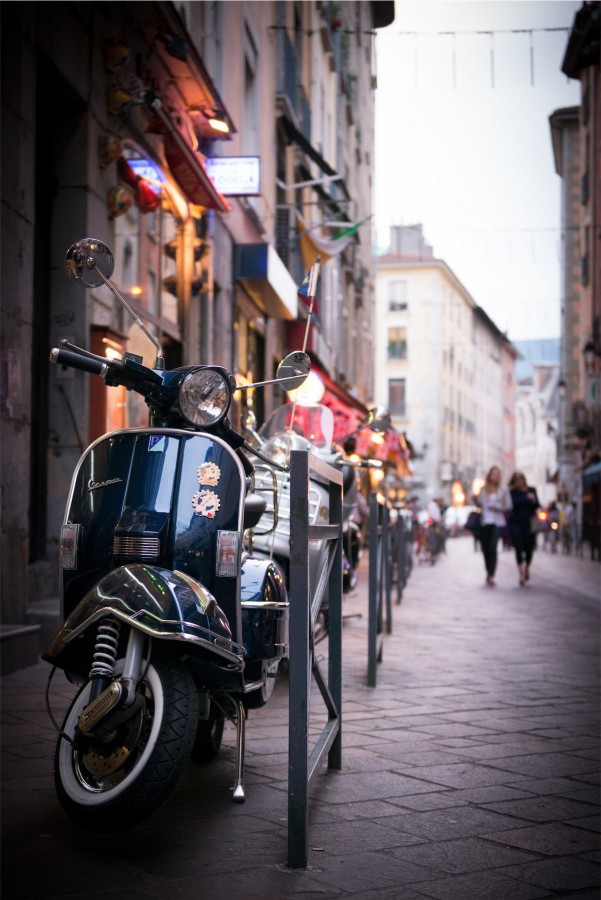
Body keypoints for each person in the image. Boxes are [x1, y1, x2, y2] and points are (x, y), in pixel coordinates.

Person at [475, 466, 511, 587]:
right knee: (485, 548)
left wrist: (497, 507)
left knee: (493, 548)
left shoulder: (503, 489)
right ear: (489, 475)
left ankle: (491, 574)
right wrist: (475, 499)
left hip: (498, 522)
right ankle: (488, 571)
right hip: (485, 521)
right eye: (493, 474)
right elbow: (479, 504)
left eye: (497, 474)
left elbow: (509, 505)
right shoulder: (484, 489)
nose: (495, 476)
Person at [508, 472, 541, 586]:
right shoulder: (512, 493)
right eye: (517, 480)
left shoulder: (531, 490)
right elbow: (508, 506)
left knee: (529, 550)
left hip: (529, 524)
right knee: (518, 548)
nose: (519, 482)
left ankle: (527, 568)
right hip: (516, 523)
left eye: (521, 479)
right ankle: (521, 574)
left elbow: (537, 505)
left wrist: (533, 500)